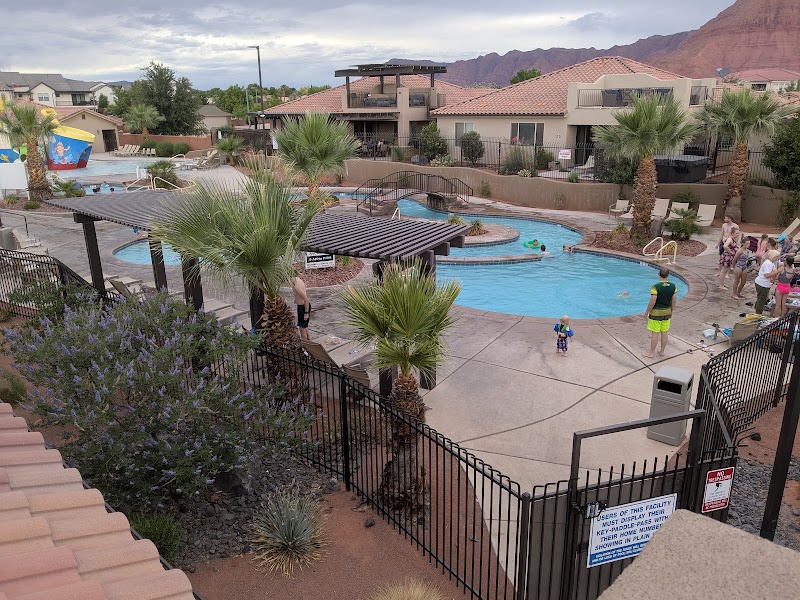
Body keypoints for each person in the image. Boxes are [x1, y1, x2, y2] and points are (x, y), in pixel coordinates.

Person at [643, 267, 677, 359]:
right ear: (668, 275)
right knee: (664, 332)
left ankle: (651, 353)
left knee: (655, 333)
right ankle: (662, 351)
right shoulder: (673, 286)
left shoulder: (655, 287)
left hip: (656, 314)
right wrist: (672, 311)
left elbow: (652, 302)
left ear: (659, 274)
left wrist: (646, 312)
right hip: (667, 313)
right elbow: (673, 301)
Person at [754, 249, 780, 315]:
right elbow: (767, 275)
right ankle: (758, 313)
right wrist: (777, 271)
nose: (778, 258)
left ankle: (757, 308)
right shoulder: (768, 264)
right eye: (777, 256)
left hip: (764, 283)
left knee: (761, 297)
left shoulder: (770, 263)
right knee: (762, 299)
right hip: (763, 284)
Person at [717, 225, 740, 289]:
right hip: (727, 257)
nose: (738, 234)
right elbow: (725, 246)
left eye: (738, 233)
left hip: (729, 257)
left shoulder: (732, 239)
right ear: (732, 233)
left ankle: (722, 284)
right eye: (737, 233)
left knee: (725, 271)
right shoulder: (730, 239)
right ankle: (721, 285)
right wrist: (730, 252)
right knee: (723, 271)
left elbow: (725, 241)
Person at [292, 275, 311, 340]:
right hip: (302, 306)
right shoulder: (298, 280)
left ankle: (305, 347)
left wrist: (306, 313)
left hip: (303, 308)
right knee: (305, 327)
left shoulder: (297, 287)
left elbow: (306, 300)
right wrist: (296, 300)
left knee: (302, 329)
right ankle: (310, 343)